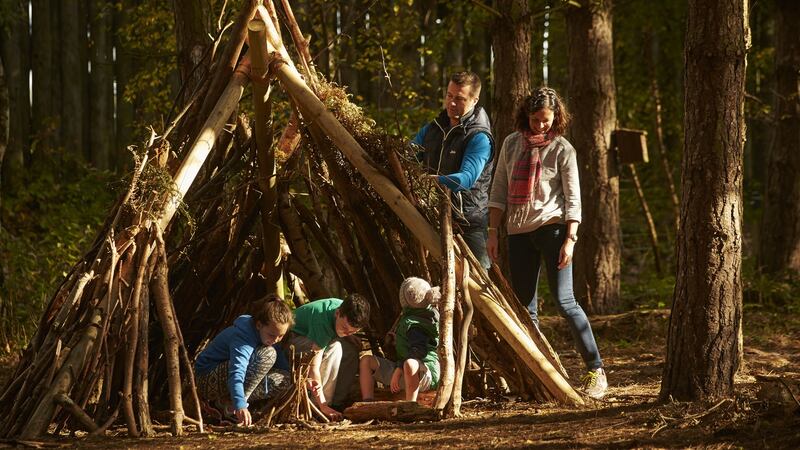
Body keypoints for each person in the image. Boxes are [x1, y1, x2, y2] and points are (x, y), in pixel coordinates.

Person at [486, 87, 608, 399]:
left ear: (556, 118)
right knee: (525, 309)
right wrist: (492, 231)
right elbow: (498, 190)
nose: (541, 125)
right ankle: (540, 374)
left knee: (565, 302)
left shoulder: (563, 149)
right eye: (535, 119)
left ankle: (596, 370)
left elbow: (573, 199)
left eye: (547, 120)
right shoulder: (511, 144)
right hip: (518, 233)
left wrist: (570, 240)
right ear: (526, 116)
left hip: (553, 230)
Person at [412, 71, 494, 270]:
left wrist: (430, 181)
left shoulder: (479, 137)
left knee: (479, 284)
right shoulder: (433, 129)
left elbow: (466, 178)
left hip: (468, 225)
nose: (452, 103)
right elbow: (406, 154)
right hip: (431, 218)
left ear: (474, 100)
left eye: (460, 98)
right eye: (449, 95)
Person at [195, 295, 293, 426]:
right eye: (272, 335)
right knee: (268, 354)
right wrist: (240, 404)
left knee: (286, 379)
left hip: (230, 381)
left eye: (281, 336)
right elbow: (237, 371)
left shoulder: (269, 337)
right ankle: (233, 407)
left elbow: (283, 367)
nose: (276, 340)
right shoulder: (243, 336)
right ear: (259, 325)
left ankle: (225, 403)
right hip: (207, 379)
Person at [278, 293, 371, 420]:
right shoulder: (322, 321)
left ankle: (338, 403)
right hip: (291, 342)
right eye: (345, 328)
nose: (347, 332)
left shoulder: (346, 310)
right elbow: (314, 368)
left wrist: (349, 336)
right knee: (335, 348)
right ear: (337, 313)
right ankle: (320, 406)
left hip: (313, 337)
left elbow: (343, 330)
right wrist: (323, 405)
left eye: (353, 331)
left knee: (350, 351)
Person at [359, 277, 441, 402]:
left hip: (424, 375)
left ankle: (410, 405)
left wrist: (398, 369)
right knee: (366, 361)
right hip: (406, 374)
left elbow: (418, 351)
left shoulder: (417, 323)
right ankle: (367, 402)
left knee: (410, 363)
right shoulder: (415, 316)